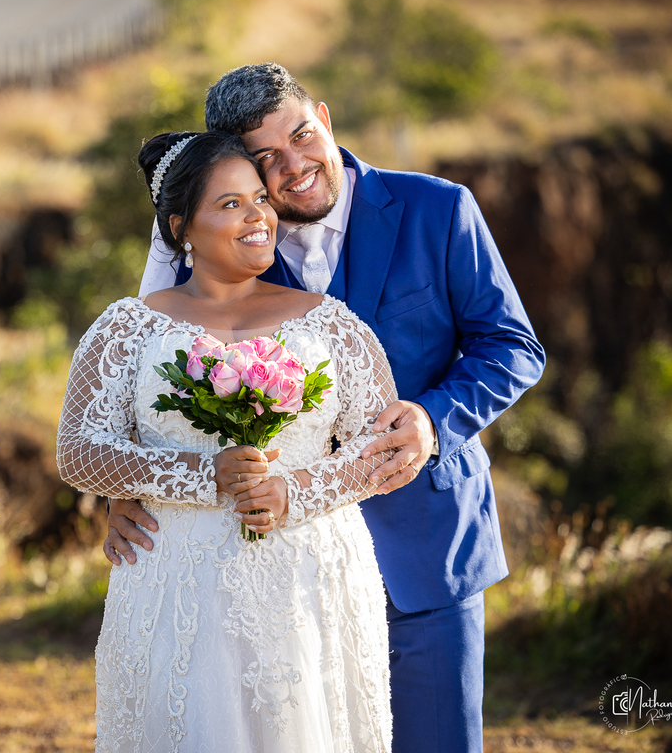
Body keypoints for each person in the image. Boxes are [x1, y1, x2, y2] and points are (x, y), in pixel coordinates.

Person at [108, 63, 546, 753]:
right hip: (286, 570)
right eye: (265, 158)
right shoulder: (227, 244)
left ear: (326, 119)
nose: (295, 166)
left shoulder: (439, 209)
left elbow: (512, 346)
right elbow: (156, 367)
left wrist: (433, 420)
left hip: (427, 544)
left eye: (302, 136)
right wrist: (132, 485)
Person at [57, 130, 400, 752]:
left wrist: (295, 492)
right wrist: (200, 475)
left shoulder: (331, 323)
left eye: (260, 199)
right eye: (230, 204)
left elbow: (382, 449)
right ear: (180, 227)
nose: (257, 216)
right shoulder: (128, 328)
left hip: (310, 584)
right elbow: (79, 451)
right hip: (178, 588)